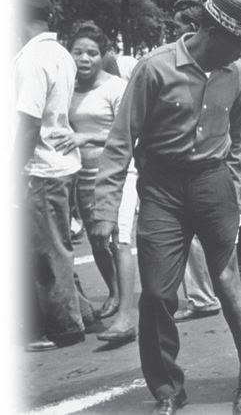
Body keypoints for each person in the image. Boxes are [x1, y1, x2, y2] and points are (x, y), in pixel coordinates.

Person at [91, 0, 241, 415]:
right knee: (157, 294)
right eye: (239, 42)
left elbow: (238, 133)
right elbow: (120, 142)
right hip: (162, 189)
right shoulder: (154, 69)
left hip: (212, 185)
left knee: (228, 285)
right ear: (210, 30)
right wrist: (105, 209)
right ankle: (167, 388)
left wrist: (234, 184)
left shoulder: (238, 74)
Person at [12, 0, 87, 352]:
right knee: (55, 243)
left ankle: (64, 326)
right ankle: (77, 311)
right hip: (59, 164)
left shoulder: (31, 59)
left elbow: (28, 124)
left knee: (47, 250)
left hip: (40, 167)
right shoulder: (59, 52)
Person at [53, 21, 137, 342]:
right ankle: (115, 294)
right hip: (82, 175)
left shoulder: (116, 87)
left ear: (103, 55)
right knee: (97, 240)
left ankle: (126, 316)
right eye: (78, 52)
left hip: (118, 174)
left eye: (92, 52)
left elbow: (128, 134)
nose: (84, 58)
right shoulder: (66, 87)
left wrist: (85, 136)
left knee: (118, 239)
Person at [168, 0, 223, 325]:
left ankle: (203, 296)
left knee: (192, 235)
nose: (174, 33)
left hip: (197, 166)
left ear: (192, 28)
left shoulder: (201, 67)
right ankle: (203, 294)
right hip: (198, 163)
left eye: (177, 26)